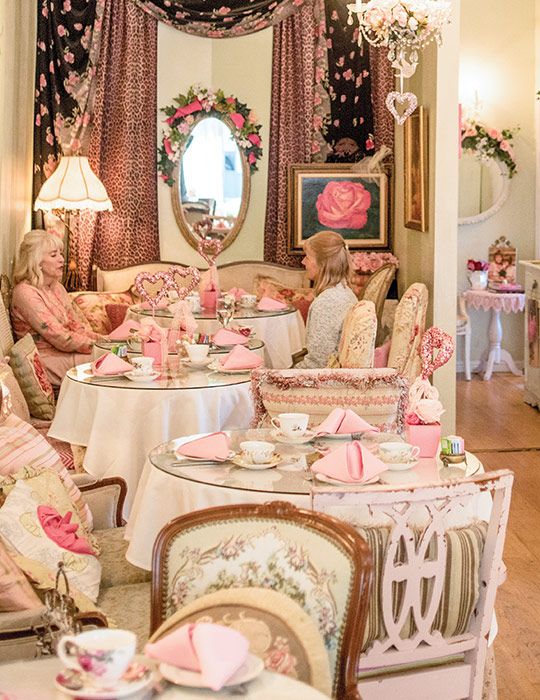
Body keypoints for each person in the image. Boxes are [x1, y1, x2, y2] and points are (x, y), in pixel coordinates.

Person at [11, 230, 104, 386]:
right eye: (54, 255)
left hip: (66, 352)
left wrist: (105, 341)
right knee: (112, 359)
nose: (62, 259)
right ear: (37, 260)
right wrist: (101, 347)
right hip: (47, 359)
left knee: (118, 354)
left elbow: (76, 327)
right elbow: (61, 338)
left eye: (60, 254)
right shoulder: (25, 293)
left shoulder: (56, 287)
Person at [295, 230, 357, 368]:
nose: (303, 261)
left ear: (323, 264)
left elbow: (317, 364)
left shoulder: (327, 303)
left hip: (323, 384)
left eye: (308, 257)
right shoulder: (344, 291)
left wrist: (282, 375)